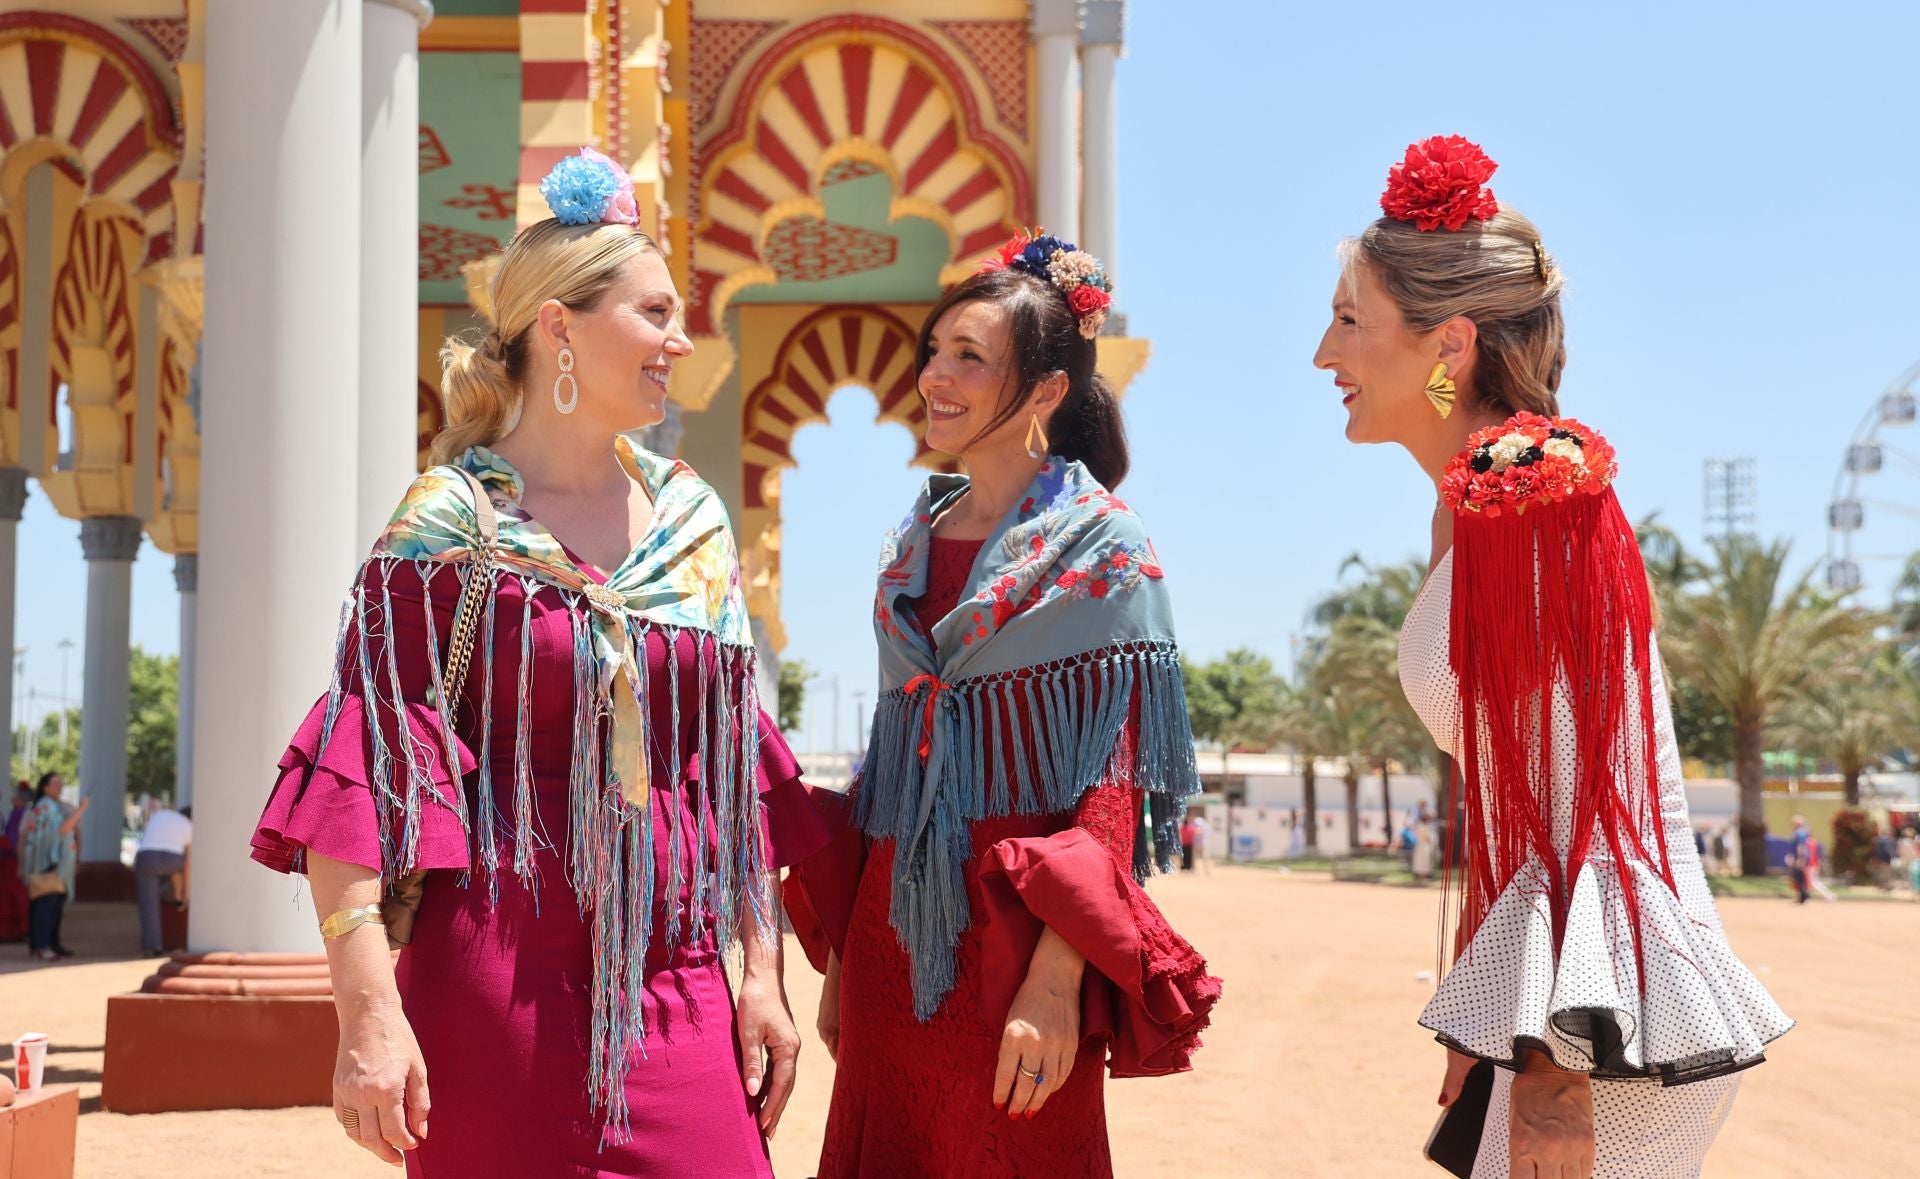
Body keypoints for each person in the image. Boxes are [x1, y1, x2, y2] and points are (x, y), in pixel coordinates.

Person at [249, 147, 828, 1175]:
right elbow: (363, 776)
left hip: (682, 976)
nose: (679, 340)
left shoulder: (693, 524)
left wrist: (761, 971)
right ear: (560, 325)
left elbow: (728, 776)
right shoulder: (449, 526)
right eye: (653, 313)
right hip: (494, 980)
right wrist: (368, 1018)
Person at [1315, 135, 1793, 1177]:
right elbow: (1514, 794)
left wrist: (1550, 1073)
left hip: (1605, 1035)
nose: (1324, 354)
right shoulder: (1477, 504)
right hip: (1573, 1015)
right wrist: (1489, 1020)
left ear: (1448, 346)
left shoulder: (1531, 505)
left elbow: (1594, 802)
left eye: (1350, 321)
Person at [786, 233, 1220, 1177]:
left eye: (969, 358)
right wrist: (845, 961)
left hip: (1019, 952)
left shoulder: (1106, 546)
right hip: (888, 945)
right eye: (934, 351)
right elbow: (894, 758)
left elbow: (1109, 788)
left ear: (1047, 390)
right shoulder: (913, 540)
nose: (935, 376)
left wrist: (1059, 981)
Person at [18, 772, 88, 961]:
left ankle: (48, 944)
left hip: (51, 861)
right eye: (56, 784)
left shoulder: (53, 807)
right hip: (47, 861)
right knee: (45, 905)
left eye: (61, 783)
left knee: (51, 904)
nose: (60, 787)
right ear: (45, 787)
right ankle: (42, 946)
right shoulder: (46, 807)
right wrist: (81, 809)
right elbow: (63, 829)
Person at [134, 805, 192, 955]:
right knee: (178, 869)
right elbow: (187, 863)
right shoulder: (189, 825)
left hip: (145, 858)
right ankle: (178, 897)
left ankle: (152, 947)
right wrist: (187, 892)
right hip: (172, 859)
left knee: (148, 904)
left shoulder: (160, 815)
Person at [1805, 834, 1838, 903]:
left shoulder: (1807, 843)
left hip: (1810, 864)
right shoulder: (1814, 842)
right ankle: (1807, 896)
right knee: (1813, 882)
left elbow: (1808, 855)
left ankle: (1829, 895)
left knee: (1813, 882)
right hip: (1815, 864)